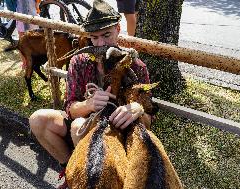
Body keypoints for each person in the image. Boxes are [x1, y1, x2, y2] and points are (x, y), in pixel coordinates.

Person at [29, 0, 153, 184]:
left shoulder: (135, 66)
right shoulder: (79, 61)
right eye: (94, 38)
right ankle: (72, 171)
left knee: (78, 126)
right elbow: (69, 107)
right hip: (81, 128)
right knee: (39, 120)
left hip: (118, 135)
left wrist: (137, 109)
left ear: (118, 29)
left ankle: (97, 180)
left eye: (106, 35)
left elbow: (149, 121)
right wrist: (89, 104)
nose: (100, 43)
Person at [15, 0, 40, 68]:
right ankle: (28, 63)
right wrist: (37, 6)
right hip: (31, 15)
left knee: (23, 40)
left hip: (23, 15)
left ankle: (26, 63)